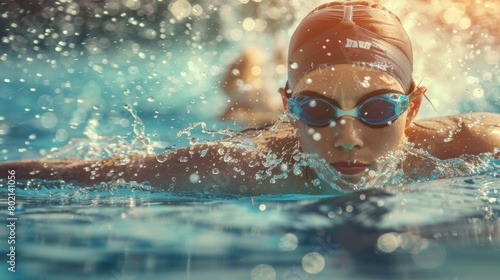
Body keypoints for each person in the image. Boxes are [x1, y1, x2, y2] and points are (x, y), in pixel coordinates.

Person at [1, 0, 499, 195]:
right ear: (293, 105)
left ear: (411, 107)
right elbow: (82, 173)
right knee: (244, 112)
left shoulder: (477, 141)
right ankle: (245, 81)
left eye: (376, 110)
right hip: (269, 130)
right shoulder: (240, 164)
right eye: (316, 110)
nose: (347, 140)